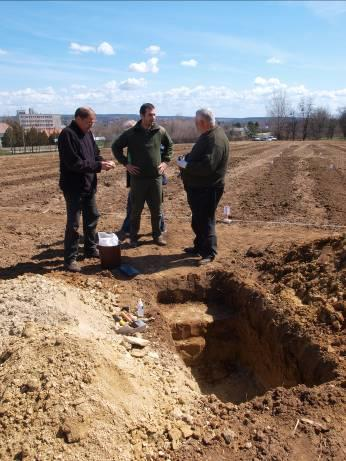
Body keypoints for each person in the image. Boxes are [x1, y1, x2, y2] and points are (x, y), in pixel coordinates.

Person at [58, 107, 115, 272]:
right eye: (89, 122)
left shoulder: (88, 134)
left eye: (93, 122)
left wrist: (103, 161)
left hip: (89, 185)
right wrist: (99, 166)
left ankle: (90, 249)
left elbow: (95, 154)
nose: (91, 125)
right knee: (74, 224)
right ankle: (70, 260)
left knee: (92, 217)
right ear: (79, 119)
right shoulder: (67, 134)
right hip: (73, 187)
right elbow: (74, 163)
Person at [112, 103, 173, 247]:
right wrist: (126, 164)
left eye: (154, 114)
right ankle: (133, 237)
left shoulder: (160, 131)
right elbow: (116, 147)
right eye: (150, 115)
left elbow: (170, 145)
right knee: (135, 210)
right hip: (138, 180)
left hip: (155, 178)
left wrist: (166, 161)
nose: (154, 117)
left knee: (157, 209)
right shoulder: (131, 133)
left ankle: (157, 235)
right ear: (142, 115)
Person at [177, 108, 229, 265]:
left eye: (195, 122)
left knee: (206, 221)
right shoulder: (208, 135)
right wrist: (187, 158)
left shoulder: (215, 140)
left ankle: (209, 252)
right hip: (200, 187)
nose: (195, 125)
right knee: (198, 220)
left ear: (202, 122)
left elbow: (207, 166)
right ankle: (199, 247)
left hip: (208, 188)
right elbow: (200, 156)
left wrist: (186, 165)